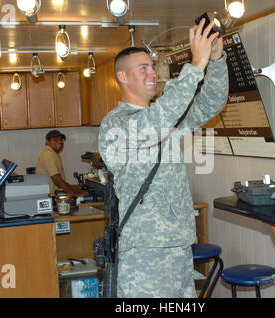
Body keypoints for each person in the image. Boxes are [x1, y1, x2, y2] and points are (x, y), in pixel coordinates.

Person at [98, 19, 229, 297]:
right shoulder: (116, 125)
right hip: (145, 250)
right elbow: (155, 123)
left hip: (179, 244)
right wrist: (196, 64)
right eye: (142, 68)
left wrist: (215, 60)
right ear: (122, 77)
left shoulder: (165, 117)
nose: (152, 74)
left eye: (152, 67)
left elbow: (210, 103)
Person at [36, 129, 89, 198]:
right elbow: (56, 179)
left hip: (51, 195)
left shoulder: (53, 153)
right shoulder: (48, 154)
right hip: (48, 197)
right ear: (47, 141)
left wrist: (77, 190)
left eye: (61, 139)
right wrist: (75, 194)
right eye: (55, 140)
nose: (59, 142)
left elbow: (61, 180)